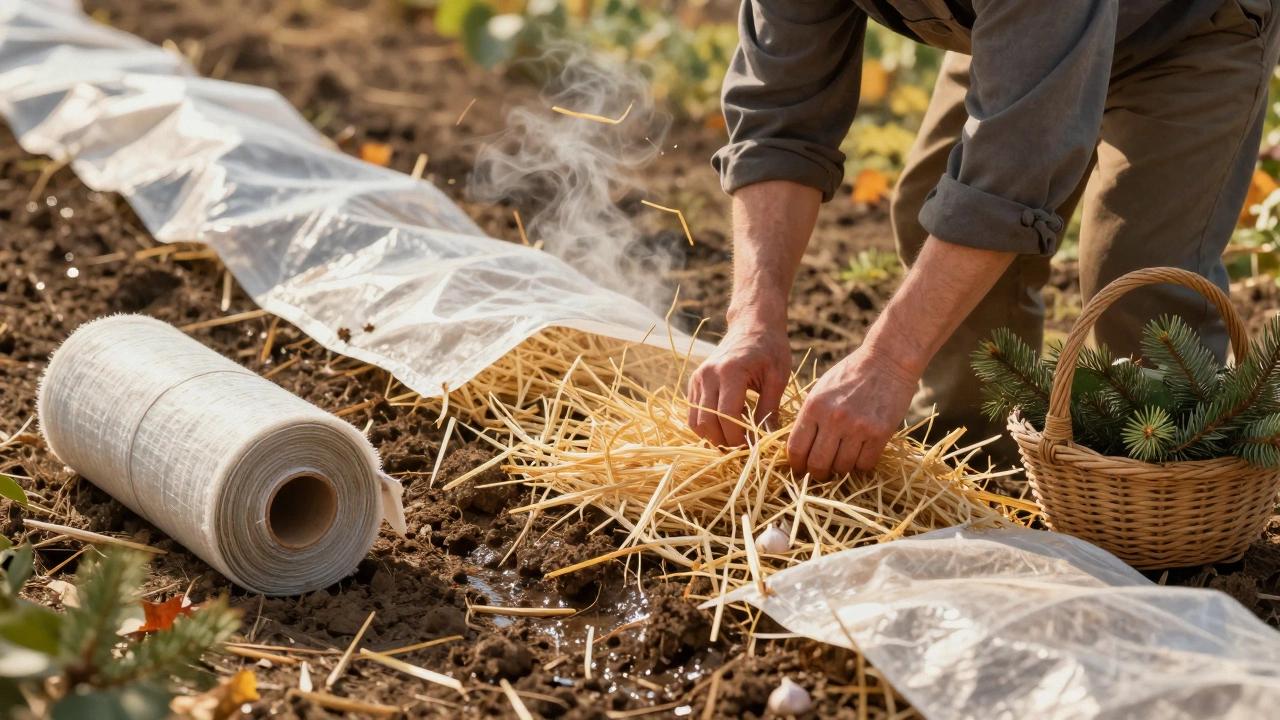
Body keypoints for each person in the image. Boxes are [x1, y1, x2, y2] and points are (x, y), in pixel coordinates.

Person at [688, 0, 1280, 479]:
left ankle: (1164, 531)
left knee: (1137, 280)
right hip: (1015, 28)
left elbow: (1016, 166)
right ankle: (978, 461)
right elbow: (779, 114)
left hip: (1187, 27)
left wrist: (887, 363)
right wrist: (752, 320)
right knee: (930, 206)